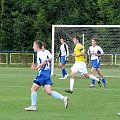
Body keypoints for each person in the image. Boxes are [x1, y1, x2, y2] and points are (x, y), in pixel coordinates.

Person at [24, 40, 68, 111]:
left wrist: (36, 67)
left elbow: (44, 62)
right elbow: (44, 61)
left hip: (43, 74)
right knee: (48, 91)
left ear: (37, 46)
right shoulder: (42, 53)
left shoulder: (40, 53)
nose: (33, 47)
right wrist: (36, 65)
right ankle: (63, 98)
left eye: (33, 45)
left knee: (33, 89)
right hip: (47, 73)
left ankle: (33, 106)